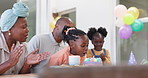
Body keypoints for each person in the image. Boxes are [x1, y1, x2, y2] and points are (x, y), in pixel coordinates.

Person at [0, 2, 50, 75]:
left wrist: (27, 64)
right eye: (24, 27)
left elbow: (21, 75)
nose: (28, 30)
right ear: (9, 29)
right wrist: (9, 63)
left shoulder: (24, 47)